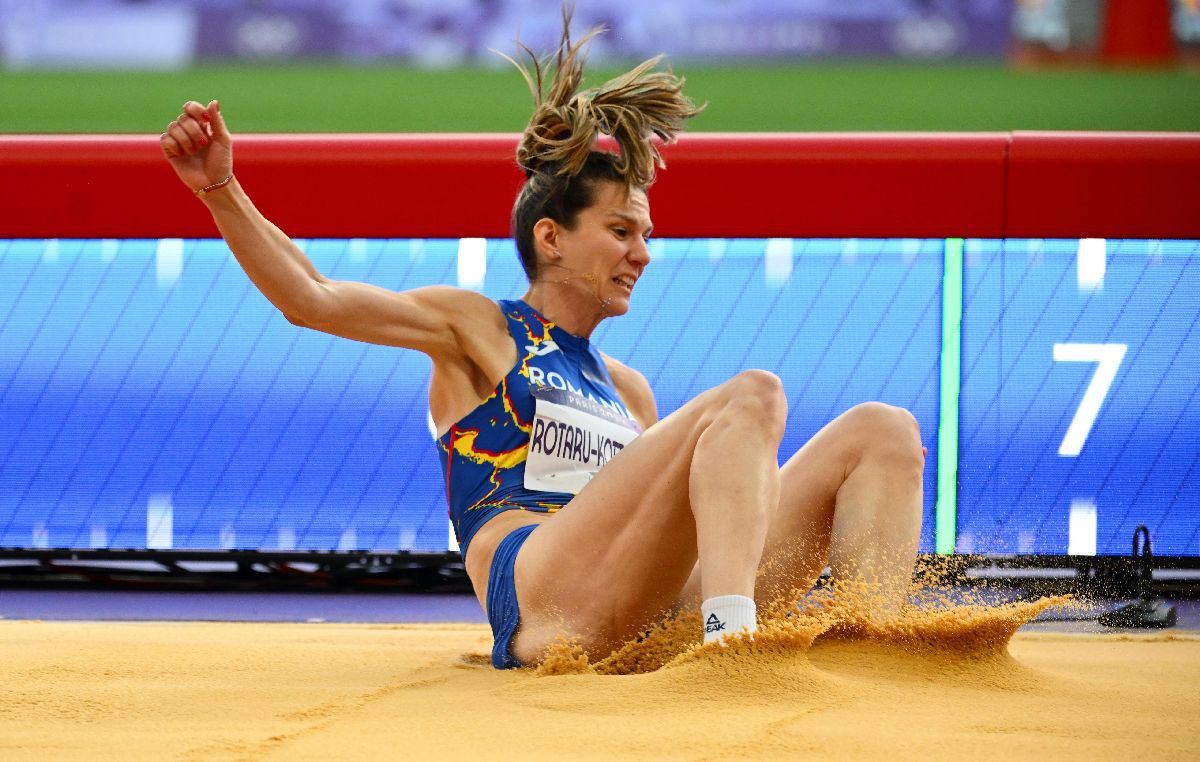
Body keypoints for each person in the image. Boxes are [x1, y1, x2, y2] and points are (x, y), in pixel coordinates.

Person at [160, 21, 924, 670]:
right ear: (552, 239)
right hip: (543, 602)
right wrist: (220, 190)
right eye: (622, 232)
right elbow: (311, 299)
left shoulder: (629, 390)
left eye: (647, 235)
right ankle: (731, 651)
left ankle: (873, 656)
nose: (643, 254)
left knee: (883, 432)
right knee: (754, 393)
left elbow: (666, 529)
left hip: (644, 613)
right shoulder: (478, 330)